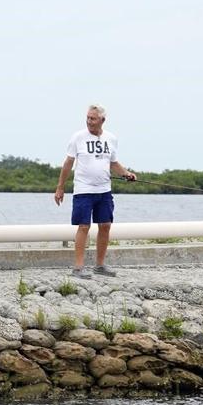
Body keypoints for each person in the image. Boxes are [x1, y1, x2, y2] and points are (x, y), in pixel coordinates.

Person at [54, 104, 136, 279]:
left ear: (102, 120)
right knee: (84, 226)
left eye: (93, 118)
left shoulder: (111, 139)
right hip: (83, 190)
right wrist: (60, 187)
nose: (89, 121)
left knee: (105, 225)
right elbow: (68, 162)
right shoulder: (78, 137)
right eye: (88, 118)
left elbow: (113, 163)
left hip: (104, 190)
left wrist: (126, 173)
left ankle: (99, 265)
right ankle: (78, 268)